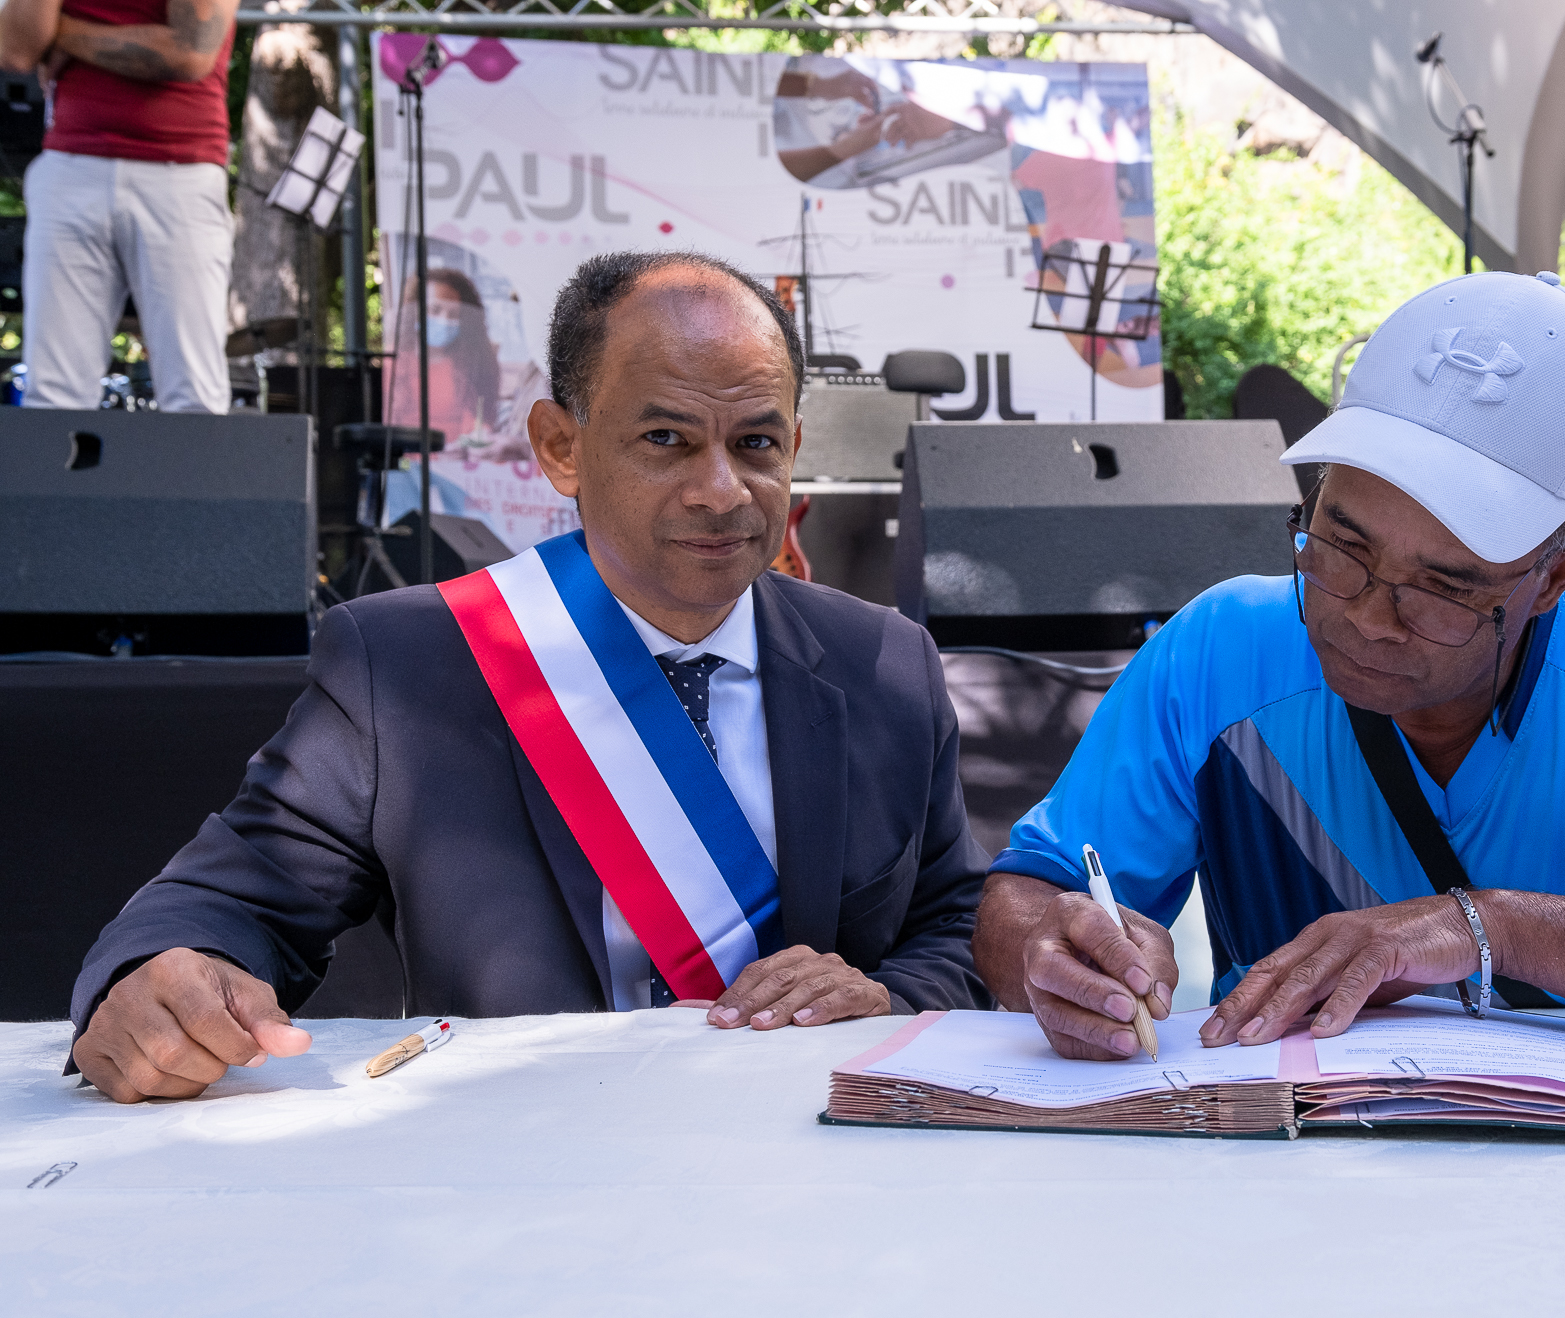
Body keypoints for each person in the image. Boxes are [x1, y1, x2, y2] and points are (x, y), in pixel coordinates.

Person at [69, 250, 993, 1103]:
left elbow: (953, 922)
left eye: (755, 444)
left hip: (810, 1164)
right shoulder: (408, 667)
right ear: (559, 446)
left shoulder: (884, 664)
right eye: (666, 439)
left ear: (795, 443)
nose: (720, 490)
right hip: (521, 1169)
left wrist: (883, 993)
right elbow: (232, 895)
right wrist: (160, 975)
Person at [972, 270, 1565, 1064]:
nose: (1369, 616)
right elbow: (1025, 893)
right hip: (1288, 1191)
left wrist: (1490, 926)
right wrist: (1052, 952)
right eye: (1339, 546)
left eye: (1445, 588)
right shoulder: (1221, 646)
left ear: (1558, 575)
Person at [0, 0, 234, 413]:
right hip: (69, 164)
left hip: (179, 169)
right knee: (52, 396)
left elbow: (189, 52)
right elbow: (16, 47)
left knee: (193, 396)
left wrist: (64, 33)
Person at [387, 268, 505, 445]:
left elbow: (480, 423)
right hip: (406, 464)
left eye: (454, 314)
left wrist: (479, 437)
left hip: (459, 465)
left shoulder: (475, 363)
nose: (444, 320)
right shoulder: (391, 362)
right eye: (435, 310)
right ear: (415, 310)